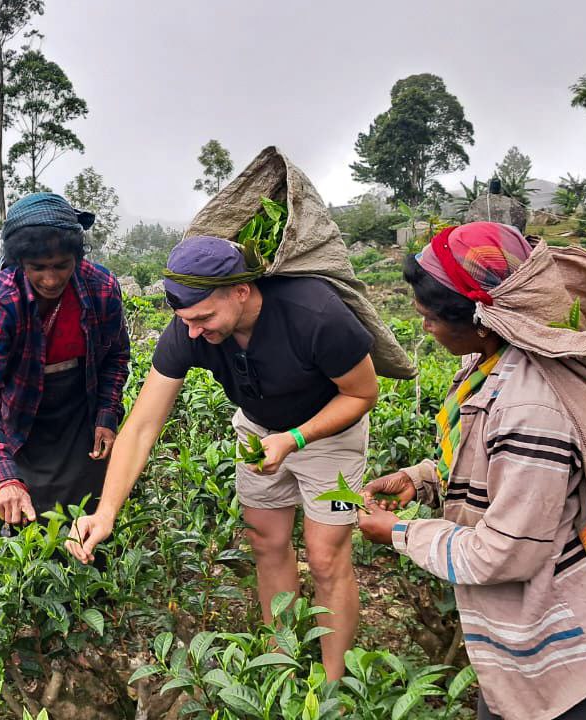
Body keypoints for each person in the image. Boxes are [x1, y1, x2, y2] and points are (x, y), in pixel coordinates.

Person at [67, 235, 379, 680]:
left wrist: (294, 439)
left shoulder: (317, 314)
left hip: (332, 432)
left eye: (204, 318)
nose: (194, 332)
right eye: (186, 321)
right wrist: (106, 513)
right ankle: (283, 670)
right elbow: (141, 426)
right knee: (266, 543)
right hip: (257, 428)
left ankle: (333, 688)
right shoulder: (190, 329)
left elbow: (363, 393)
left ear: (241, 290)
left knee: (327, 557)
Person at [358, 222, 586, 720]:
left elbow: (506, 555)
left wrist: (399, 532)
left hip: (564, 664)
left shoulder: (529, 405)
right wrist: (421, 479)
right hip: (512, 652)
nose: (425, 329)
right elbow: (497, 468)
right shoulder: (491, 364)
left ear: (481, 319)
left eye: (429, 318)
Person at [0, 192, 131, 525]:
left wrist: (106, 414)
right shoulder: (2, 299)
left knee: (88, 517)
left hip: (79, 416)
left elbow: (115, 357)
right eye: (38, 268)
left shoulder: (100, 287)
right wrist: (4, 477)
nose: (51, 279)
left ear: (77, 257)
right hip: (23, 426)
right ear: (20, 262)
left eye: (61, 265)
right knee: (27, 519)